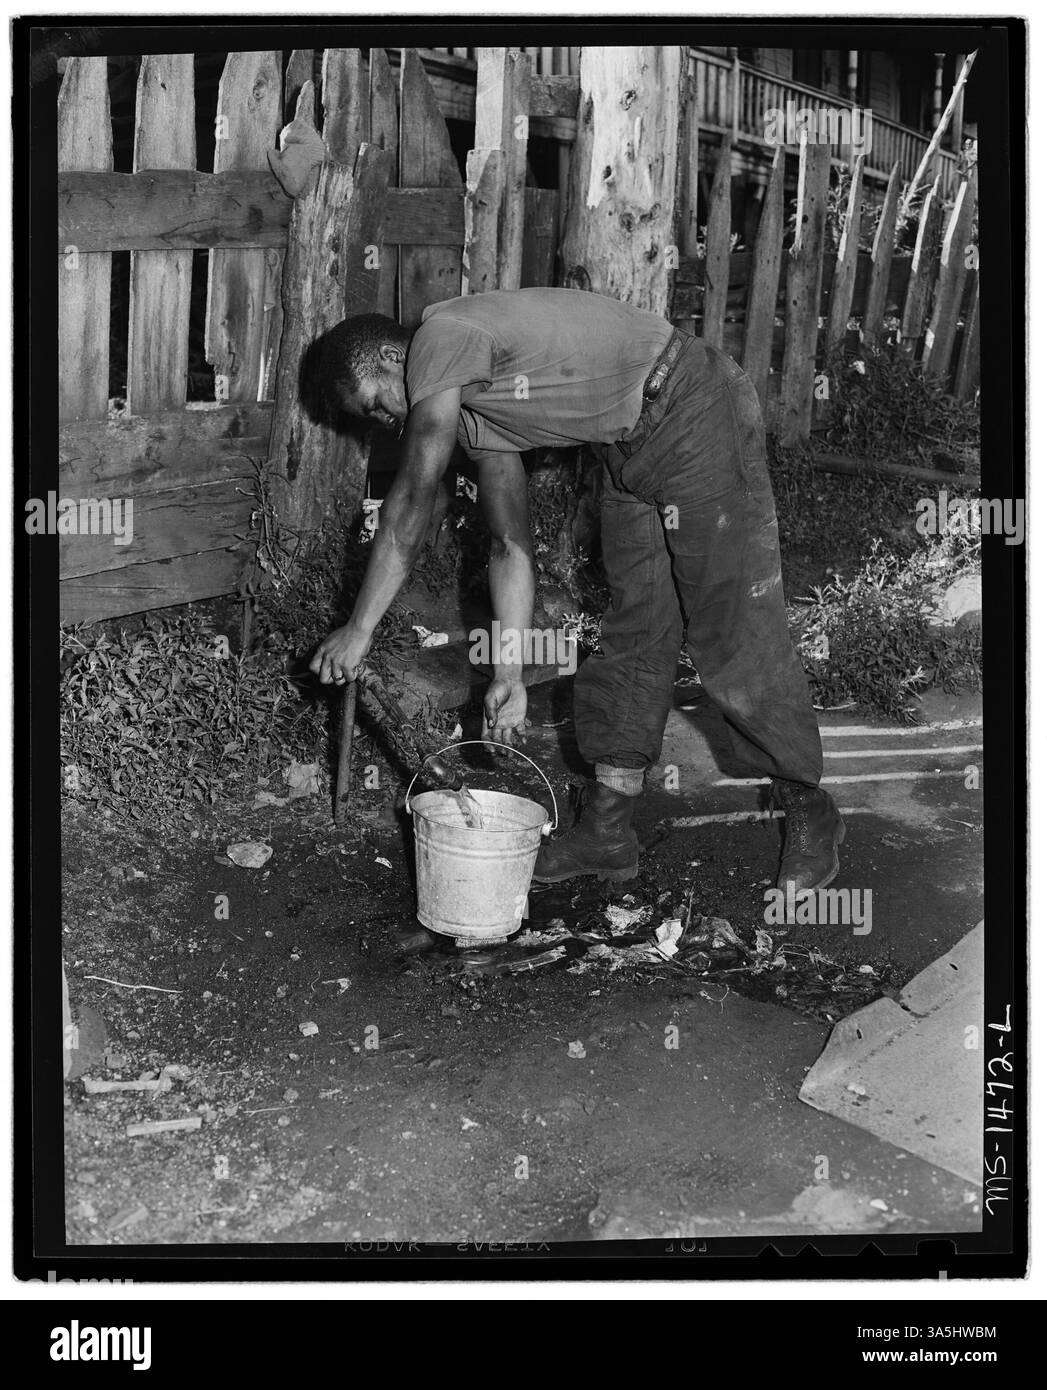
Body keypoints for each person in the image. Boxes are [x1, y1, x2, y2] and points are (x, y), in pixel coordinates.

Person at [309, 288, 844, 893]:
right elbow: (509, 545)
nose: (387, 424)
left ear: (388, 358)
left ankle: (807, 806)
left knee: (729, 626)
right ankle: (609, 833)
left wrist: (359, 630)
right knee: (634, 634)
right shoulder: (477, 414)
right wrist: (508, 672)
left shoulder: (444, 335)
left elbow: (412, 498)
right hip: (627, 449)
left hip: (691, 406)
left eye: (376, 406)